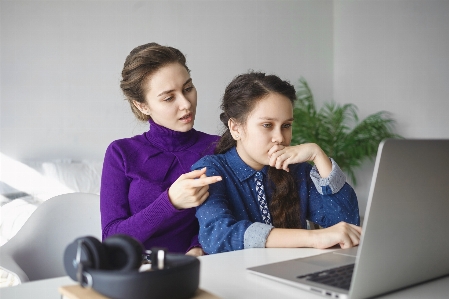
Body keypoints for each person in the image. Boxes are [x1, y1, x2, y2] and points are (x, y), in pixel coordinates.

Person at [192, 72, 361, 254]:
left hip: (293, 274)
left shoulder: (297, 170)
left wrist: (318, 155)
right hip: (237, 279)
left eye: (286, 125)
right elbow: (219, 236)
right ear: (236, 128)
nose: (280, 138)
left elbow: (347, 225)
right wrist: (313, 238)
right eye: (267, 125)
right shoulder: (211, 170)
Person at [100, 43, 222, 256]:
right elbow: (112, 240)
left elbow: (230, 217)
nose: (186, 104)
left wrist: (199, 247)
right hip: (140, 273)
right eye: (168, 97)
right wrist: (170, 202)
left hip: (205, 267)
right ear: (142, 105)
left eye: (188, 89)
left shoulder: (218, 147)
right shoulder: (121, 153)